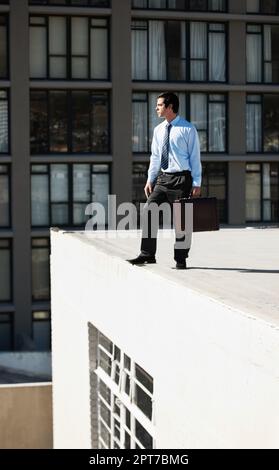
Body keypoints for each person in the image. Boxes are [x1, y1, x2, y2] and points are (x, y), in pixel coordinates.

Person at [128, 92, 202, 270]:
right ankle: (147, 254)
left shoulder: (188, 129)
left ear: (170, 107)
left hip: (182, 179)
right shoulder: (159, 130)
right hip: (163, 178)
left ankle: (181, 259)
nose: (156, 108)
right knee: (149, 209)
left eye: (160, 105)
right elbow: (155, 157)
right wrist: (150, 179)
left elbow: (195, 158)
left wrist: (197, 182)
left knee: (182, 220)